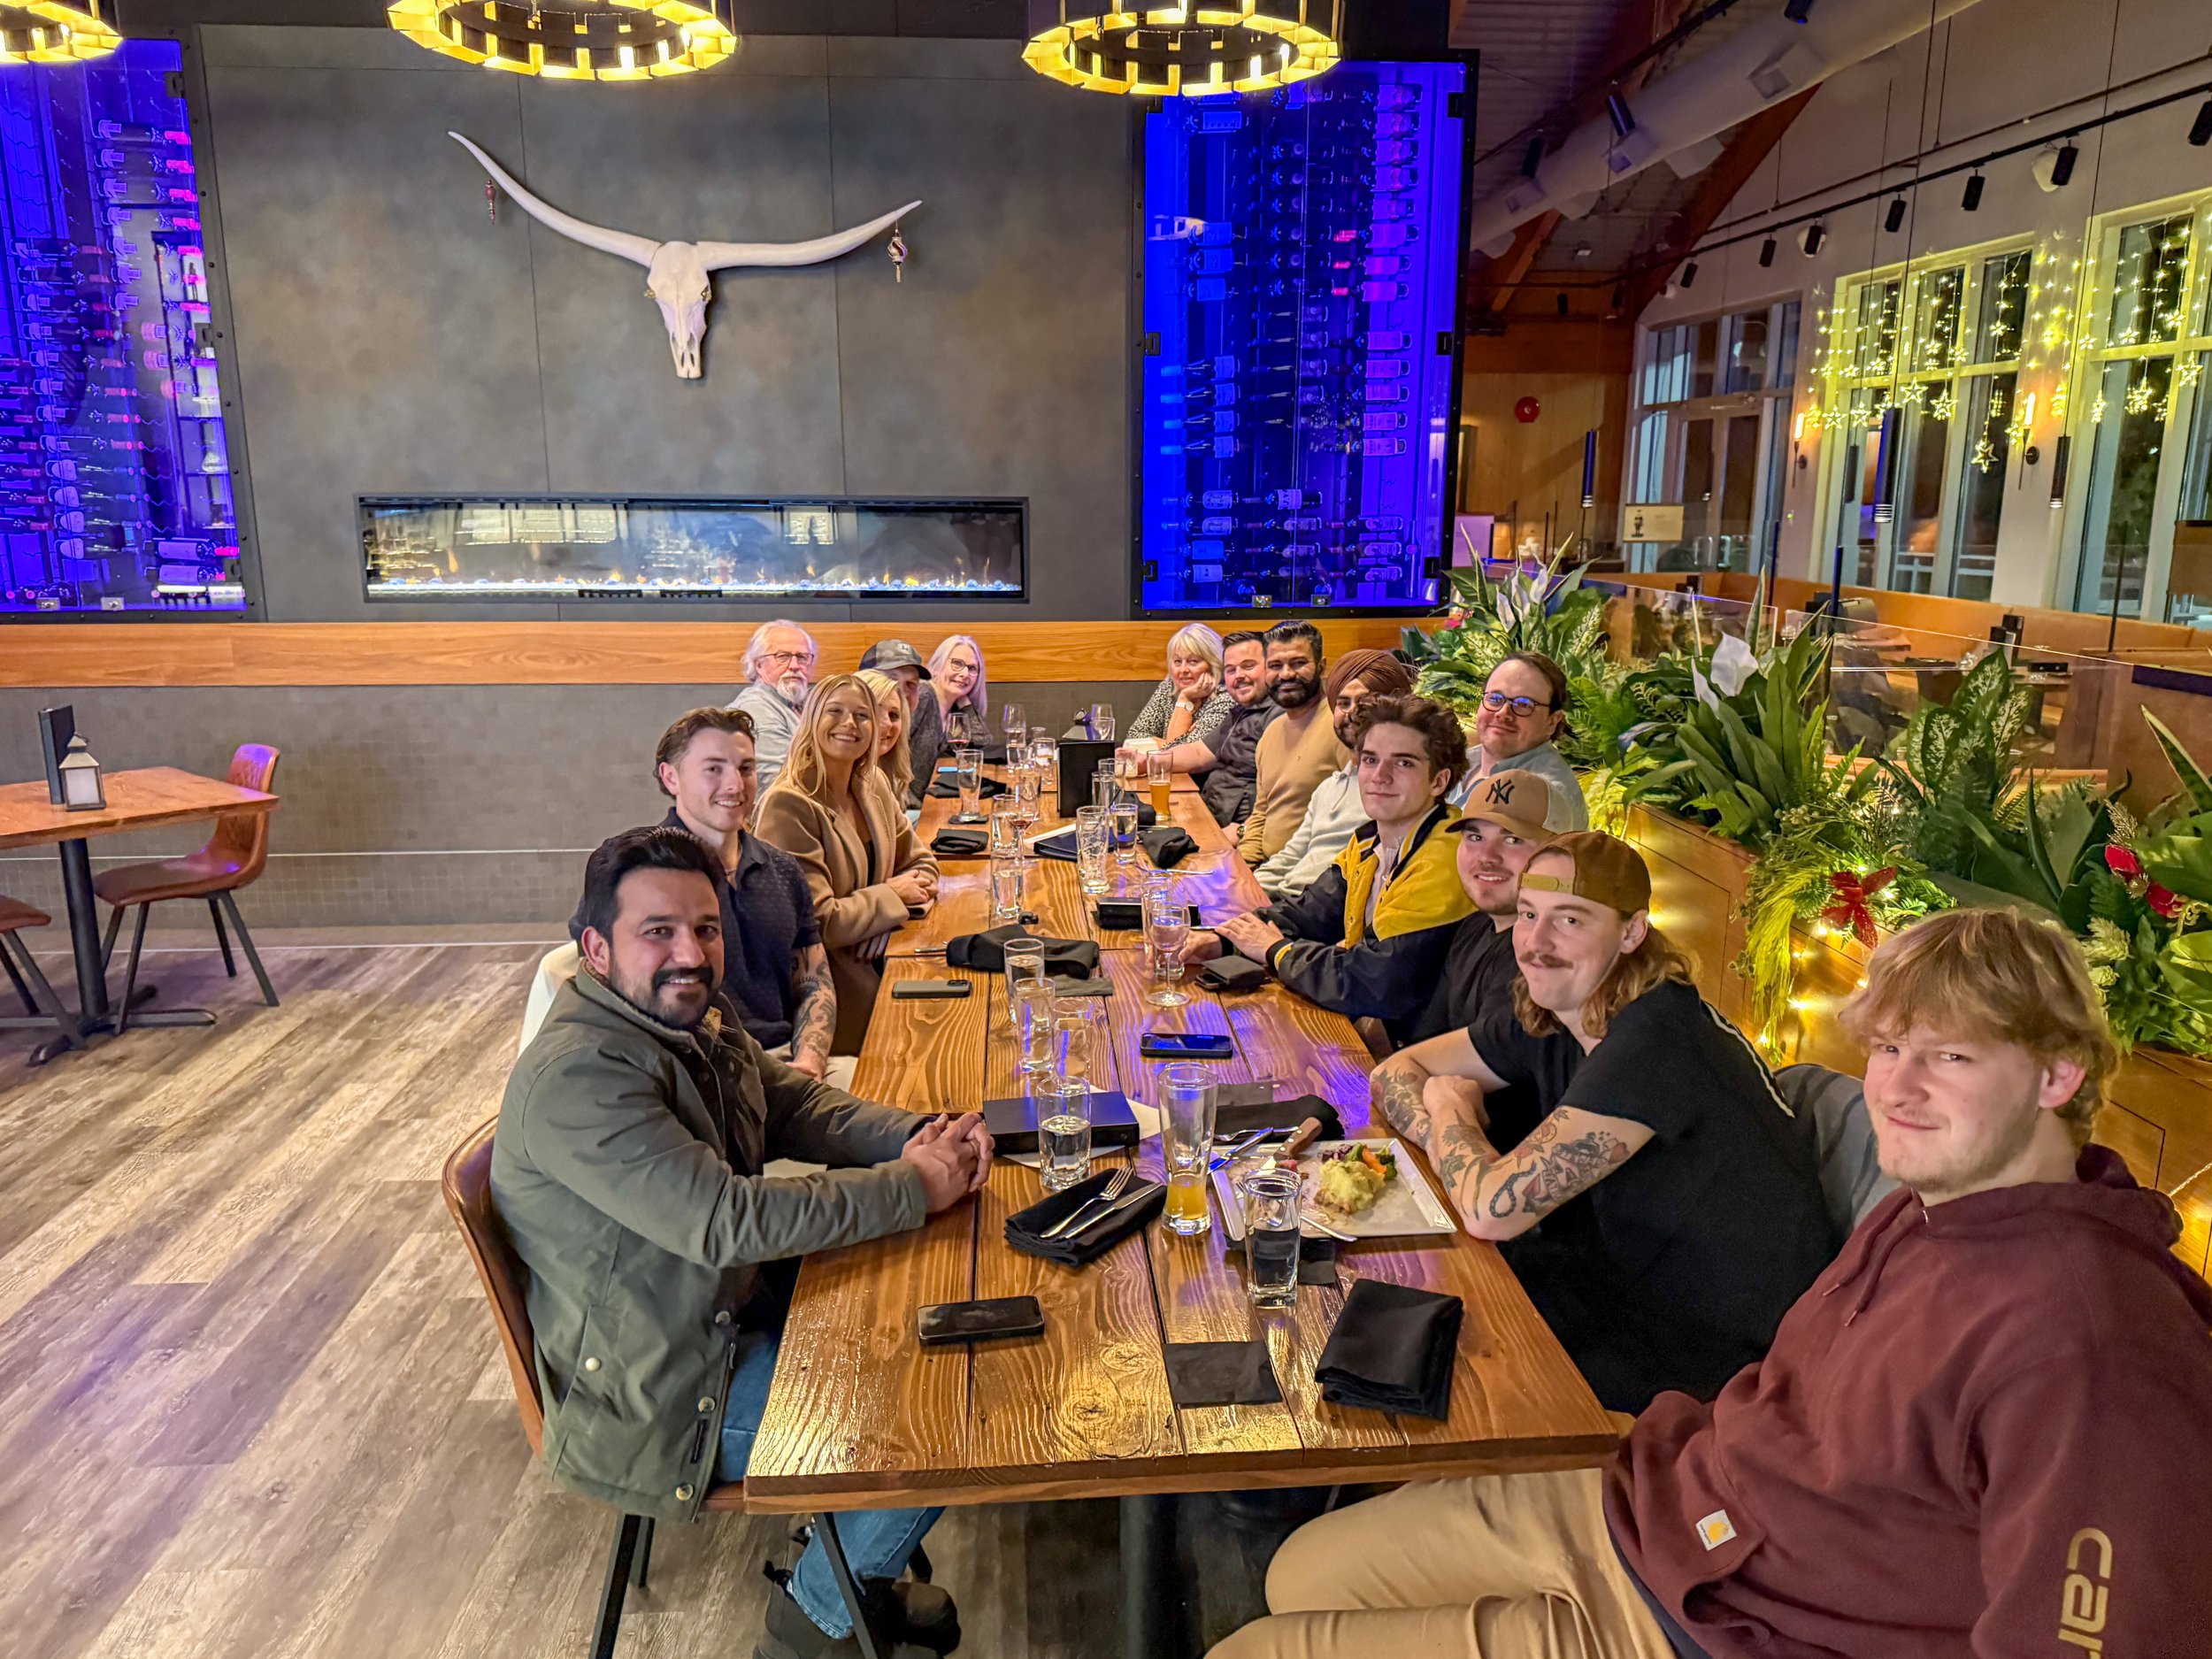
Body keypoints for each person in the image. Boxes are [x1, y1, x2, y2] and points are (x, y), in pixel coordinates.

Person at [1212, 906, 2212, 1659]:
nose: (1897, 1088)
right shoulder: (1929, 1209)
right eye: (1888, 1049)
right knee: (1296, 1569)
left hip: (1728, 1626)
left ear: (2057, 1077)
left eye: (1949, 1056)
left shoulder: (2095, 1338)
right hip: (1653, 1499)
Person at [495, 827, 993, 1659]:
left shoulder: (682, 1017)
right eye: (658, 930)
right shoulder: (581, 1075)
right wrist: (915, 1185)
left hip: (725, 1314)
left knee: (949, 1341)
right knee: (940, 1421)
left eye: (705, 926)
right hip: (656, 1388)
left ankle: (852, 1568)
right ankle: (814, 1620)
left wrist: (922, 1135)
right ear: (596, 948)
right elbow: (726, 1219)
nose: (690, 951)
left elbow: (798, 1105)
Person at [1373, 831, 1832, 1412]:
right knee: (1392, 1303)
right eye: (1528, 913)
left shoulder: (1655, 1039)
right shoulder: (1557, 1004)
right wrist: (1450, 1128)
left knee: (1418, 1358)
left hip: (1706, 1358)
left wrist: (1449, 1112)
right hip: (1609, 1287)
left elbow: (1493, 1209)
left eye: (1570, 920)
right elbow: (1396, 1071)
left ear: (1632, 932)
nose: (1536, 942)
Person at [1184, 695, 1473, 1047]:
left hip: (1425, 1054)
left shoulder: (1446, 856)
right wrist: (1225, 941)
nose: (1379, 776)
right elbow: (1312, 912)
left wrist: (1276, 950)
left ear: (1439, 781)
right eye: (1370, 759)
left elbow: (1372, 981)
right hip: (1379, 1027)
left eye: (1404, 764)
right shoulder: (1372, 838)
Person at [575, 708, 838, 1081]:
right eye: (714, 769)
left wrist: (809, 1061)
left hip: (791, 1066)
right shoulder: (635, 875)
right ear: (671, 777)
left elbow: (814, 982)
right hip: (692, 1075)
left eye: (746, 768)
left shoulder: (783, 869)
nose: (735, 785)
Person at [753, 675, 939, 1056]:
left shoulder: (873, 786)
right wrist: (888, 898)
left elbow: (923, 863)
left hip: (890, 959)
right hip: (838, 995)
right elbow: (818, 922)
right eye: (835, 712)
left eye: (862, 715)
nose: (850, 724)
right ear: (811, 720)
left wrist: (891, 915)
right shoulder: (789, 804)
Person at [1399, 772, 1558, 1147]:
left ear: (1563, 853)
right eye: (1474, 837)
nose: (1487, 856)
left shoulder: (1545, 960)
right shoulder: (1475, 927)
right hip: (1453, 1153)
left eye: (1513, 839)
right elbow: (1421, 1052)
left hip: (1503, 1176)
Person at [1251, 647, 1416, 898]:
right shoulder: (1329, 788)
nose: (1351, 713)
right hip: (1286, 903)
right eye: (1343, 703)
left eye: (1364, 702)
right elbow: (1289, 858)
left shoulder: (1394, 789)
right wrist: (1241, 891)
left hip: (1325, 917)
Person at [1133, 629, 1273, 822]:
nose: (1239, 675)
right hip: (1210, 809)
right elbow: (1198, 752)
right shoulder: (1240, 709)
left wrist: (1242, 832)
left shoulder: (1272, 713)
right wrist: (1146, 761)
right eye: (1231, 670)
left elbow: (1282, 801)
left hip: (1233, 823)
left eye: (1248, 666)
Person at [1237, 621, 1344, 864]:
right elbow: (1261, 814)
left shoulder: (1340, 727)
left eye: (1298, 663)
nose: (1286, 674)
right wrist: (1243, 870)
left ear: (1321, 666)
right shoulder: (1271, 733)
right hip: (1267, 870)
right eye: (1275, 666)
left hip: (1309, 879)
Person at [1444, 651, 1587, 830]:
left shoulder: (1542, 797)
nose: (1503, 713)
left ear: (1552, 721)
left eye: (1523, 704)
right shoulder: (1463, 761)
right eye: (1495, 699)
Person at [728, 619, 818, 796]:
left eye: (802, 657)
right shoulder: (755, 707)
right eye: (782, 657)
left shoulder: (800, 705)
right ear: (758, 665)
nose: (794, 666)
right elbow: (778, 784)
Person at [1125, 622, 1235, 757]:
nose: (1183, 670)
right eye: (1177, 661)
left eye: (1193, 661)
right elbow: (1134, 738)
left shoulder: (1225, 699)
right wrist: (1185, 698)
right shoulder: (1170, 687)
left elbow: (1182, 756)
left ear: (1214, 663)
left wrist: (1184, 701)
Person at [858, 640, 937, 808]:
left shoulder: (894, 736)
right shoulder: (852, 741)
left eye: (911, 684)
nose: (901, 691)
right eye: (890, 680)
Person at [857, 667, 918, 810]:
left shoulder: (888, 770)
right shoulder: (836, 781)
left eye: (894, 715)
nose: (887, 724)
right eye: (875, 712)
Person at [925, 634, 990, 754]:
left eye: (972, 668)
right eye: (957, 664)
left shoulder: (956, 709)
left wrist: (965, 703)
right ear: (937, 666)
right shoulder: (923, 697)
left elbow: (982, 742)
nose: (965, 674)